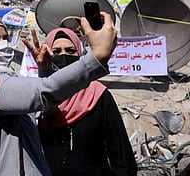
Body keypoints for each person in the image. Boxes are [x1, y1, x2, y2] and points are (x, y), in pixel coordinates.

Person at [0, 11, 117, 176]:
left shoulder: (6, 79)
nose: (3, 44)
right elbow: (43, 93)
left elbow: (41, 110)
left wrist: (46, 70)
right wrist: (96, 57)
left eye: (5, 38)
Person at [35, 27, 138, 176]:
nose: (63, 56)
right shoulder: (37, 95)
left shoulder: (98, 94)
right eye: (56, 52)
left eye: (70, 51)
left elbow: (119, 149)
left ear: (80, 53)